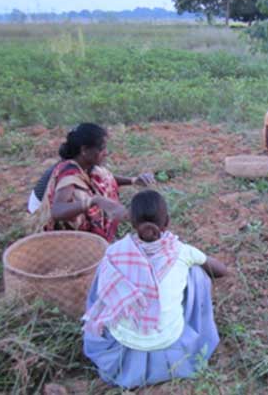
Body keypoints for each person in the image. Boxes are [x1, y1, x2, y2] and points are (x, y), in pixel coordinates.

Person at [83, 190, 228, 389]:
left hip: (122, 348)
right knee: (197, 274)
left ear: (132, 223)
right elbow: (220, 270)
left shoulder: (114, 252)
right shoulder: (182, 251)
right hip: (171, 344)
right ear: (167, 221)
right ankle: (193, 326)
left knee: (105, 274)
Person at [34, 123, 155, 242]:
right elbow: (56, 211)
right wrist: (94, 200)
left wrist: (133, 180)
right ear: (84, 150)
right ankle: (82, 239)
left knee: (100, 174)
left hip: (58, 202)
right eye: (101, 148)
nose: (106, 152)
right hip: (42, 211)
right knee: (83, 197)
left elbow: (107, 179)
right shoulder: (68, 171)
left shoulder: (85, 164)